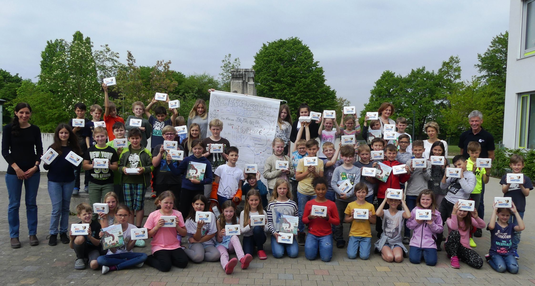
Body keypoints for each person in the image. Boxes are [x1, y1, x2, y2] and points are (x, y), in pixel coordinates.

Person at [2, 102, 43, 248]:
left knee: (31, 204)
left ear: (30, 114)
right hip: (14, 172)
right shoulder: (7, 129)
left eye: (27, 112)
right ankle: (14, 236)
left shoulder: (35, 129)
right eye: (21, 112)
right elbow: (5, 151)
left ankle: (32, 233)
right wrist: (16, 169)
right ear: (16, 113)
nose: (24, 115)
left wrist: (35, 166)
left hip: (33, 171)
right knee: (14, 204)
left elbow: (39, 150)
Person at [44, 123, 82, 246]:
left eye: (66, 133)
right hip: (54, 181)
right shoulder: (53, 148)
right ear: (58, 134)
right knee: (56, 208)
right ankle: (53, 233)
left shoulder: (74, 148)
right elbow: (45, 166)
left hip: (69, 181)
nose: (64, 135)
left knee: (65, 208)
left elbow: (78, 165)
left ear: (69, 134)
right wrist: (46, 160)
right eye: (61, 133)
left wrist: (76, 161)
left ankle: (63, 232)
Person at [436, 155, 476, 250]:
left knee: (454, 226)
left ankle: (454, 246)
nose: (458, 167)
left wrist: (461, 177)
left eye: (460, 164)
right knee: (439, 221)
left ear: (465, 163)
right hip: (446, 201)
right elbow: (443, 186)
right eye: (456, 165)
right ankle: (436, 243)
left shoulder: (471, 176)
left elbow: (468, 190)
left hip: (458, 205)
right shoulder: (454, 173)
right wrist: (446, 175)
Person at [144, 191, 189, 272]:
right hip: (159, 246)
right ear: (159, 202)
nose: (168, 205)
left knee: (183, 263)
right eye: (166, 203)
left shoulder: (178, 214)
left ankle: (168, 259)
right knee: (165, 267)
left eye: (171, 203)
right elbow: (147, 235)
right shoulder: (153, 215)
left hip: (174, 245)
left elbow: (184, 233)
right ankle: (149, 259)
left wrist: (177, 226)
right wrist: (157, 227)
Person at [118, 128, 153, 227]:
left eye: (137, 138)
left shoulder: (146, 152)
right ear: (129, 139)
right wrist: (123, 169)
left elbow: (152, 166)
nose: (135, 140)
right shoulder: (125, 152)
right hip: (127, 181)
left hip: (141, 182)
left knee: (139, 205)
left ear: (141, 138)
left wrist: (144, 169)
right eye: (132, 138)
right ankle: (130, 227)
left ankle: (137, 227)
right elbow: (119, 166)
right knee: (129, 206)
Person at [98, 204, 148, 274]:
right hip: (113, 255)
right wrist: (106, 238)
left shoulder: (133, 228)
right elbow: (113, 251)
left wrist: (135, 239)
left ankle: (113, 267)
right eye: (120, 215)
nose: (122, 217)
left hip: (127, 254)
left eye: (125, 215)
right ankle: (131, 263)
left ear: (129, 215)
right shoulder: (111, 229)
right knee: (100, 259)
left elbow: (128, 249)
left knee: (144, 256)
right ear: (116, 215)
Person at [168, 139, 213, 216]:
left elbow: (209, 179)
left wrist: (200, 182)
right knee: (183, 209)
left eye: (199, 149)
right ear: (192, 149)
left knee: (198, 211)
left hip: (198, 190)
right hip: (186, 189)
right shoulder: (187, 160)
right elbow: (177, 172)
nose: (197, 151)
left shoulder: (206, 162)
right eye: (195, 149)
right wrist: (169, 163)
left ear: (203, 149)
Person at [82, 127, 119, 221]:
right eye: (97, 136)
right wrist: (91, 166)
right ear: (94, 137)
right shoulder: (90, 150)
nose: (100, 138)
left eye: (102, 136)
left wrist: (110, 166)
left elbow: (116, 167)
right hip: (94, 182)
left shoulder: (111, 150)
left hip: (108, 182)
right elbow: (84, 165)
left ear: (106, 136)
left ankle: (109, 228)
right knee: (94, 208)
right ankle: (94, 228)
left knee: (109, 207)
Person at [501, 154, 533, 259]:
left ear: (523, 166)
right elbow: (504, 190)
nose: (516, 167)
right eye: (514, 165)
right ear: (511, 165)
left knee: (517, 230)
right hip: (507, 207)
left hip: (519, 207)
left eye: (519, 165)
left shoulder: (525, 178)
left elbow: (526, 193)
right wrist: (509, 183)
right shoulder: (506, 177)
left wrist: (521, 185)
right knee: (506, 228)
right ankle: (504, 247)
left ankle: (514, 249)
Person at [375, 144, 411, 238]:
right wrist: (376, 169)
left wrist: (407, 172)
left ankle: (395, 232)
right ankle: (380, 232)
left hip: (395, 195)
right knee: (381, 214)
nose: (391, 155)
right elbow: (377, 180)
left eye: (393, 153)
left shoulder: (400, 165)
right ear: (385, 153)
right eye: (389, 153)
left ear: (396, 154)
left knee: (395, 214)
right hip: (383, 194)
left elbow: (403, 180)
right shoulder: (381, 165)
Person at [302, 177, 340, 262]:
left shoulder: (331, 204)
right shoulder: (309, 204)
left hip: (326, 234)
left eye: (323, 189)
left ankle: (322, 247)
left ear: (326, 189)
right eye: (318, 189)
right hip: (312, 233)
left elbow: (337, 222)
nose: (321, 192)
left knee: (326, 259)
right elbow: (303, 220)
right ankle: (317, 247)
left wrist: (328, 219)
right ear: (315, 190)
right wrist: (309, 218)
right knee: (310, 257)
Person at [295, 139, 324, 245]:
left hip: (315, 192)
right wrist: (307, 171)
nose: (312, 151)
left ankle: (313, 232)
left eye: (314, 149)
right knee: (302, 212)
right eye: (310, 149)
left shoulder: (320, 162)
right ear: (306, 150)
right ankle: (301, 233)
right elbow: (297, 177)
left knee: (315, 212)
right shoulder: (302, 161)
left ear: (317, 149)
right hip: (303, 190)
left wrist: (315, 172)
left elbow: (321, 178)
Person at [331, 145, 360, 248]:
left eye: (350, 156)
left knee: (353, 219)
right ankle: (339, 238)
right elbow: (333, 183)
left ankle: (352, 237)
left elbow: (357, 184)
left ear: (354, 157)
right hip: (339, 199)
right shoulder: (338, 169)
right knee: (338, 220)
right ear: (341, 156)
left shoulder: (357, 170)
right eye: (345, 156)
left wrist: (348, 194)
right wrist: (340, 193)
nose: (348, 159)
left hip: (352, 200)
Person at [406, 190, 443, 266]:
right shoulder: (415, 211)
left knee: (431, 262)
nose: (425, 201)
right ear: (419, 200)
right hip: (416, 242)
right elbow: (408, 225)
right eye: (423, 199)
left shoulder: (436, 213)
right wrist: (416, 221)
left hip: (429, 243)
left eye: (428, 199)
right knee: (414, 260)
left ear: (432, 200)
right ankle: (421, 253)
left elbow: (440, 229)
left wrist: (432, 224)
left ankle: (426, 252)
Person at [444, 201, 485, 269]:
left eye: (465, 211)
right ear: (456, 210)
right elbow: (454, 227)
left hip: (464, 247)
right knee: (455, 233)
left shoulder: (469, 220)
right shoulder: (450, 219)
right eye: (460, 210)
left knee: (478, 262)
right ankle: (453, 256)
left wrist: (476, 217)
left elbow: (482, 225)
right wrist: (454, 213)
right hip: (451, 246)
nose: (462, 213)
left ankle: (461, 257)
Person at [216, 201, 253, 274]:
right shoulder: (219, 221)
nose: (228, 214)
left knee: (234, 237)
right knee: (224, 254)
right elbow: (218, 240)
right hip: (221, 244)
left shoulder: (237, 220)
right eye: (226, 211)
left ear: (234, 211)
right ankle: (226, 266)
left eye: (231, 211)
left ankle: (242, 259)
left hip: (231, 244)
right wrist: (220, 234)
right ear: (222, 211)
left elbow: (237, 237)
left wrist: (238, 233)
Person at [403, 140, 430, 244]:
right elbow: (407, 179)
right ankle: (406, 234)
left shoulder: (427, 162)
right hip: (410, 192)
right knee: (409, 214)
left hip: (423, 193)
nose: (418, 152)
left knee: (421, 214)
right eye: (416, 150)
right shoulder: (409, 162)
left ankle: (419, 234)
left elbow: (428, 178)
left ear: (423, 150)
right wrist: (411, 170)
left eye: (420, 150)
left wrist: (424, 170)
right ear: (412, 150)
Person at [487, 203, 525, 274]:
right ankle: (489, 259)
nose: (505, 217)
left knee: (514, 270)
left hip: (508, 253)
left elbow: (522, 227)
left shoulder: (511, 226)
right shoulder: (494, 225)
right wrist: (495, 210)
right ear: (498, 214)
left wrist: (515, 212)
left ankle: (505, 262)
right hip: (495, 253)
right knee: (501, 268)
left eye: (507, 215)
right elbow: (491, 227)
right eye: (502, 215)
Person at [266, 179, 299, 258]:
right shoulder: (271, 205)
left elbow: (296, 218)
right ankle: (277, 244)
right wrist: (274, 233)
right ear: (276, 189)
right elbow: (269, 222)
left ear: (287, 189)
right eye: (280, 188)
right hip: (277, 234)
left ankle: (287, 246)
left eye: (284, 188)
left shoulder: (293, 204)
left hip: (289, 234)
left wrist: (295, 229)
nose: (282, 190)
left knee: (293, 254)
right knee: (278, 254)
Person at [183, 194, 220, 263]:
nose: (199, 206)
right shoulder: (189, 220)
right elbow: (196, 238)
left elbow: (212, 233)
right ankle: (183, 250)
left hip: (208, 242)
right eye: (196, 204)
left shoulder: (211, 215)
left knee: (216, 255)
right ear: (193, 205)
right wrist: (199, 228)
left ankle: (200, 255)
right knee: (198, 258)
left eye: (201, 204)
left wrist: (198, 241)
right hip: (195, 244)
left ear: (205, 205)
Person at [152, 126, 183, 206]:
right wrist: (160, 153)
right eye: (167, 134)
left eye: (171, 134)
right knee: (161, 203)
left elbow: (183, 165)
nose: (169, 136)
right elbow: (154, 164)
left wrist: (178, 154)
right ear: (163, 135)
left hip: (175, 181)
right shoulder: (158, 147)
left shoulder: (179, 147)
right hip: (161, 180)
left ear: (175, 135)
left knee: (175, 203)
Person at [465, 141, 489, 247]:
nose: (474, 155)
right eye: (472, 152)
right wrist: (473, 171)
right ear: (468, 152)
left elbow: (485, 181)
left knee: (473, 215)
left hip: (477, 192)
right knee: (465, 214)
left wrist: (487, 172)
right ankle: (465, 235)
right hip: (467, 192)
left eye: (477, 153)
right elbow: (465, 177)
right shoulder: (466, 163)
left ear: (479, 153)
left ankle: (471, 236)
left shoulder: (482, 163)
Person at [344, 183, 376, 260]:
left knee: (364, 257)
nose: (361, 194)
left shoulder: (370, 206)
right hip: (354, 234)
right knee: (351, 256)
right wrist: (352, 217)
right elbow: (346, 220)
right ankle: (356, 247)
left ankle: (362, 247)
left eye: (363, 192)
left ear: (367, 193)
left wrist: (369, 217)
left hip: (366, 235)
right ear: (355, 193)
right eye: (359, 192)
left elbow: (374, 221)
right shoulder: (350, 205)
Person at [374, 196, 411, 262]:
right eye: (391, 200)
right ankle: (381, 250)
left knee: (398, 258)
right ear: (388, 201)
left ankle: (393, 251)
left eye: (396, 200)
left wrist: (402, 200)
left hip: (396, 241)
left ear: (399, 202)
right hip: (385, 241)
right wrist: (385, 199)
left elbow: (408, 215)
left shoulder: (401, 213)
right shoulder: (385, 212)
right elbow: (377, 213)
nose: (393, 202)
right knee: (390, 258)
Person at [70, 203, 103, 270]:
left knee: (94, 265)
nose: (87, 216)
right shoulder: (77, 227)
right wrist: (71, 239)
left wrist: (90, 237)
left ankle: (89, 260)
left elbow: (98, 243)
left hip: (94, 249)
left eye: (89, 213)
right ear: (79, 216)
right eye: (84, 214)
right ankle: (80, 258)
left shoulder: (96, 225)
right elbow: (72, 246)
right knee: (80, 238)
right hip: (82, 250)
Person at [240, 190, 268, 260]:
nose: (254, 202)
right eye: (251, 200)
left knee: (257, 229)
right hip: (248, 236)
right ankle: (252, 247)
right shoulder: (243, 213)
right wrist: (249, 225)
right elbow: (241, 231)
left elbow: (267, 230)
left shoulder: (263, 212)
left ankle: (260, 249)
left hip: (260, 236)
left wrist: (263, 225)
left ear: (259, 200)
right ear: (247, 200)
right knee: (248, 254)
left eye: (256, 200)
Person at [106, 122, 128, 202]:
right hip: (113, 176)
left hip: (126, 176)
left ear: (125, 131)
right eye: (117, 130)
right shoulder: (108, 145)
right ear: (113, 132)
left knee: (124, 199)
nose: (119, 132)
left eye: (121, 130)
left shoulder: (130, 144)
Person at [71, 102, 90, 195]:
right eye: (78, 110)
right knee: (75, 168)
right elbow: (68, 135)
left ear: (85, 111)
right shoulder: (71, 121)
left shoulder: (88, 122)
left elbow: (89, 135)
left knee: (87, 167)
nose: (80, 112)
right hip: (75, 148)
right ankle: (75, 187)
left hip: (85, 147)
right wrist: (75, 129)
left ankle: (87, 185)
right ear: (75, 111)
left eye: (82, 110)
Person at [426, 141, 448, 208]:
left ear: (443, 151)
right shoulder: (427, 160)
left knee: (439, 208)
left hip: (441, 189)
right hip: (430, 187)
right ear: (432, 150)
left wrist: (443, 167)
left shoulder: (446, 161)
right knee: (429, 207)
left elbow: (448, 176)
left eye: (439, 150)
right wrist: (429, 164)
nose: (437, 152)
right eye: (435, 149)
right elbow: (426, 175)